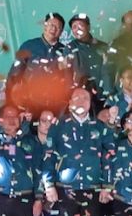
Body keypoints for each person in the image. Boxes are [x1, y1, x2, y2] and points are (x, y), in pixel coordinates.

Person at [0, 105, 50, 216]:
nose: (11, 119)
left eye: (14, 116)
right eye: (7, 116)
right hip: (0, 198)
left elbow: (38, 170)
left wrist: (38, 199)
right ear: (0, 121)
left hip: (25, 199)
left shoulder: (31, 142)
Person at [52, 87, 117, 215]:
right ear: (70, 102)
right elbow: (48, 155)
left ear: (90, 103)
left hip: (92, 188)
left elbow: (109, 155)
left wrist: (107, 186)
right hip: (65, 188)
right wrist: (48, 185)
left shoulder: (99, 126)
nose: (81, 101)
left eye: (85, 98)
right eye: (77, 98)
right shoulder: (59, 125)